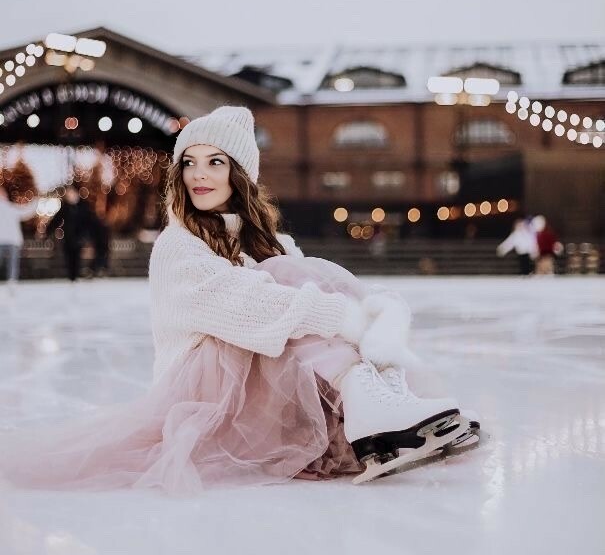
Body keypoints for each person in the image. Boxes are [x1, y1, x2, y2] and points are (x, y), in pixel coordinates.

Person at [0, 106, 479, 495]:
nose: (199, 175)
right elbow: (245, 306)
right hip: (206, 396)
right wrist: (347, 317)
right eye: (190, 162)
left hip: (264, 392)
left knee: (294, 272)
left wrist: (377, 309)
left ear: (240, 173)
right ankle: (366, 399)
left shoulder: (268, 241)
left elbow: (316, 290)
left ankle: (385, 403)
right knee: (282, 279)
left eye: (215, 162)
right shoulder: (177, 244)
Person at [44, 185, 94, 281]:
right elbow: (56, 220)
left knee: (76, 258)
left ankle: (75, 276)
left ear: (76, 193)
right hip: (68, 237)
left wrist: (87, 235)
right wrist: (47, 231)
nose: (69, 195)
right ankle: (71, 277)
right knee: (68, 257)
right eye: (68, 194)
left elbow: (89, 222)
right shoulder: (65, 207)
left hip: (79, 237)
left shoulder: (83, 206)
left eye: (71, 193)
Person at [0, 186, 39, 293]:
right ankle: (12, 282)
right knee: (13, 263)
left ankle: (12, 282)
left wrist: (35, 202)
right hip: (9, 241)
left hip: (11, 241)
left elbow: (25, 212)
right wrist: (36, 201)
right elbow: (26, 211)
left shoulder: (10, 208)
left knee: (13, 263)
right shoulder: (11, 208)